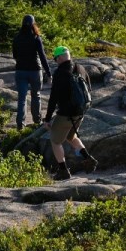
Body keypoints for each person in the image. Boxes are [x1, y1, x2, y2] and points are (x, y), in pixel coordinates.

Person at [44, 45, 97, 180]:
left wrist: (47, 118)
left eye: (56, 58)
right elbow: (89, 89)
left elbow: (54, 98)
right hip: (80, 112)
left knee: (55, 141)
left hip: (66, 114)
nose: (56, 61)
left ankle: (63, 171)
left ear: (60, 57)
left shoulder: (60, 73)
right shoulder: (81, 68)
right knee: (70, 136)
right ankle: (87, 158)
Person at [12, 14, 52, 131]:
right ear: (33, 24)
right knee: (36, 96)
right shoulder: (36, 38)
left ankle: (20, 124)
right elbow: (42, 56)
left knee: (22, 98)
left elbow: (15, 55)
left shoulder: (17, 38)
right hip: (35, 71)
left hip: (20, 71)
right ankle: (37, 121)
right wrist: (49, 73)